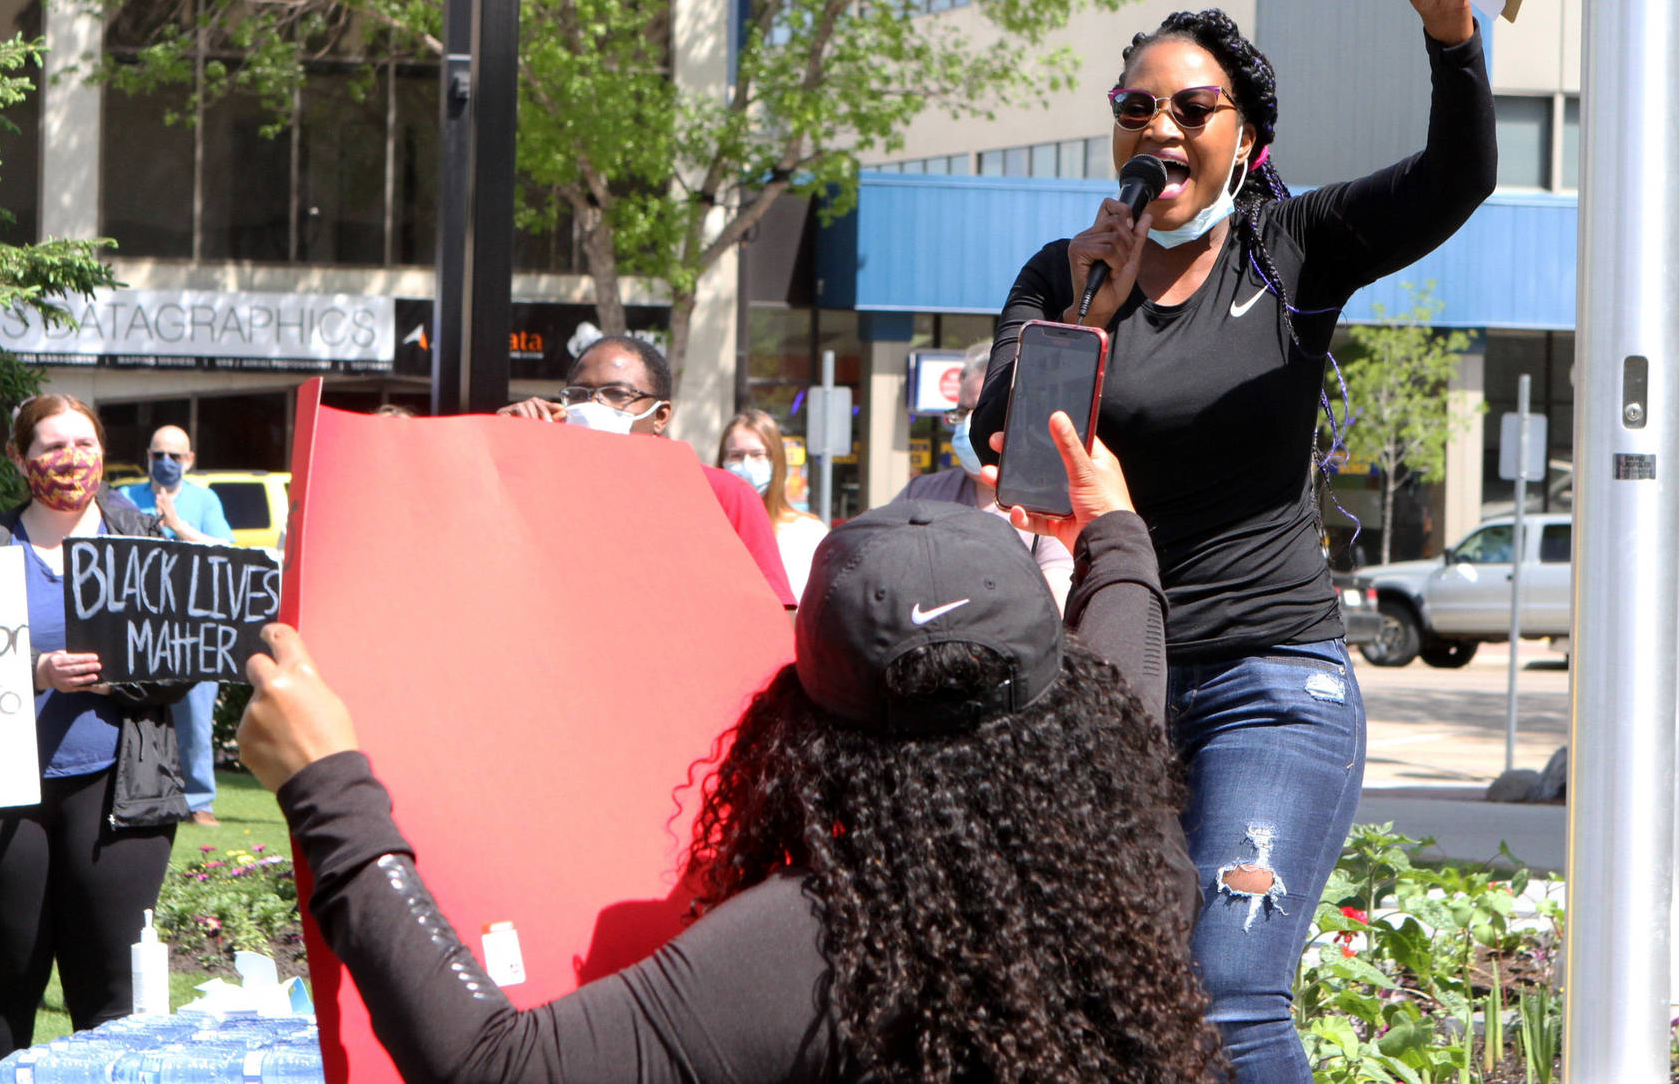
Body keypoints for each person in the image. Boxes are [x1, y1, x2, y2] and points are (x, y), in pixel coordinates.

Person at [232, 415, 1217, 1082]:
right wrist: (1113, 533)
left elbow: (499, 1067)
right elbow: (1128, 657)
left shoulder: (823, 948)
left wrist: (330, 793)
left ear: (802, 728)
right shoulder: (1133, 857)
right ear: (1074, 707)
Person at [969, 0, 1495, 1083]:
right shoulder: (1061, 276)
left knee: (1229, 998)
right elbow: (1013, 447)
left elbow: (1456, 180)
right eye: (1133, 107)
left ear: (1242, 139)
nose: (1156, 129)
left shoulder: (1293, 248)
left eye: (1188, 110)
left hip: (1267, 679)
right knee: (1104, 995)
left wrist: (1449, 39)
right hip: (1109, 681)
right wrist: (1094, 310)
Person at [0, 396, 190, 1084]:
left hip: (117, 789)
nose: (71, 459)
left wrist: (112, 679)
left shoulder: (140, 537)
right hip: (3, 794)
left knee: (112, 996)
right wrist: (33, 672)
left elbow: (181, 664)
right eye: (51, 445)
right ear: (18, 457)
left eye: (85, 442)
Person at [498, 335, 797, 608]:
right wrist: (499, 444)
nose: (593, 405)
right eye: (579, 394)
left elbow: (777, 621)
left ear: (660, 416)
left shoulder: (724, 495)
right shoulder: (544, 489)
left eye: (616, 393)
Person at [893, 338, 1073, 611]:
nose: (969, 425)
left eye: (980, 412)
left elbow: (1054, 604)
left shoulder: (1048, 506)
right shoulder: (921, 493)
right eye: (962, 412)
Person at [117, 425, 231, 827]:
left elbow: (226, 551)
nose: (165, 463)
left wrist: (178, 525)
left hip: (193, 626)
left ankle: (199, 802)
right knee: (133, 713)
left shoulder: (205, 499)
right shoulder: (125, 497)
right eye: (157, 455)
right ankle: (137, 796)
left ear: (190, 461)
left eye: (175, 456)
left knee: (196, 717)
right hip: (138, 625)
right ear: (147, 456)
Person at [716, 408, 827, 599]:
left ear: (776, 461)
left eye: (758, 454)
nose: (747, 466)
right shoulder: (710, 529)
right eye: (736, 456)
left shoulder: (808, 532)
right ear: (722, 461)